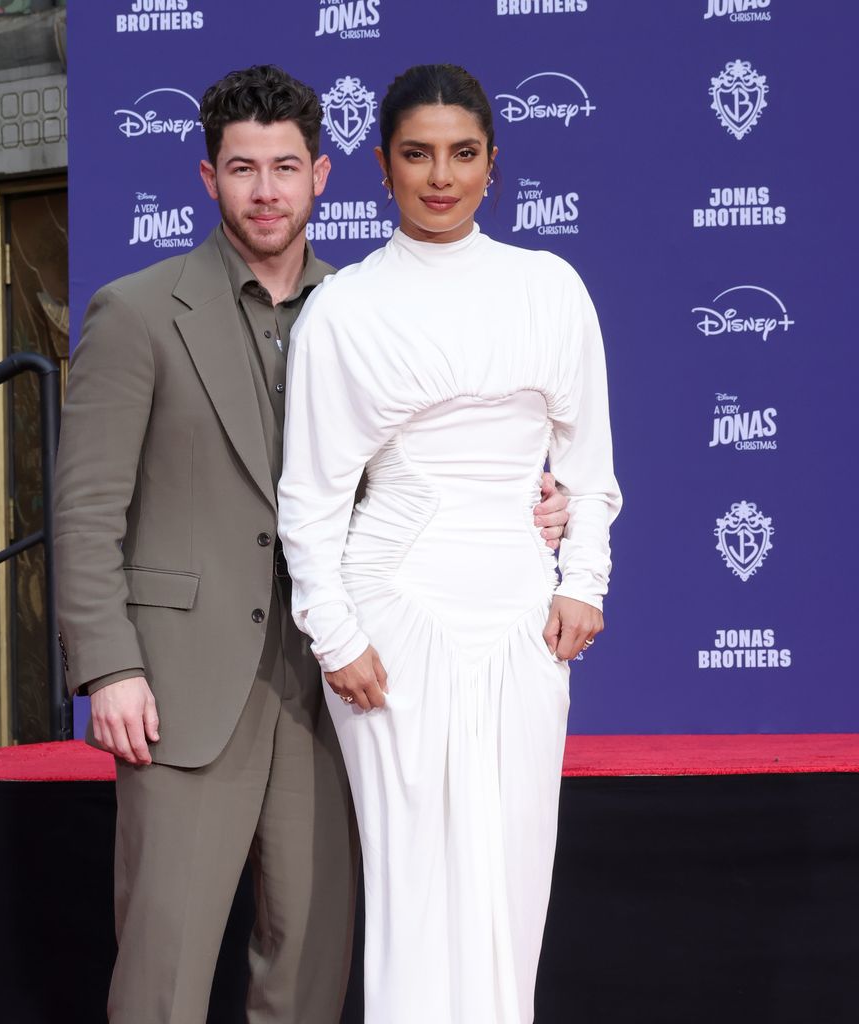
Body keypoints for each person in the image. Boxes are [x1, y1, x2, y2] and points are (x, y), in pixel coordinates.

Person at [54, 65, 573, 1024]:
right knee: (163, 966)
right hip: (182, 684)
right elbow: (86, 510)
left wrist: (537, 505)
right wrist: (108, 667)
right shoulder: (136, 312)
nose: (266, 191)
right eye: (243, 169)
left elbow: (419, 476)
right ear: (207, 179)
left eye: (285, 168)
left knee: (310, 967)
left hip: (344, 684)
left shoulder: (369, 303)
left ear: (324, 175)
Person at [278, 64, 622, 1024]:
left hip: (522, 608)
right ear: (383, 167)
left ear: (492, 165)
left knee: (514, 870)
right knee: (414, 877)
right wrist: (334, 634)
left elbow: (588, 465)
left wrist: (582, 580)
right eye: (417, 154)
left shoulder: (549, 287)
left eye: (462, 154)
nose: (441, 176)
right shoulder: (344, 311)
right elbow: (310, 491)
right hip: (392, 614)